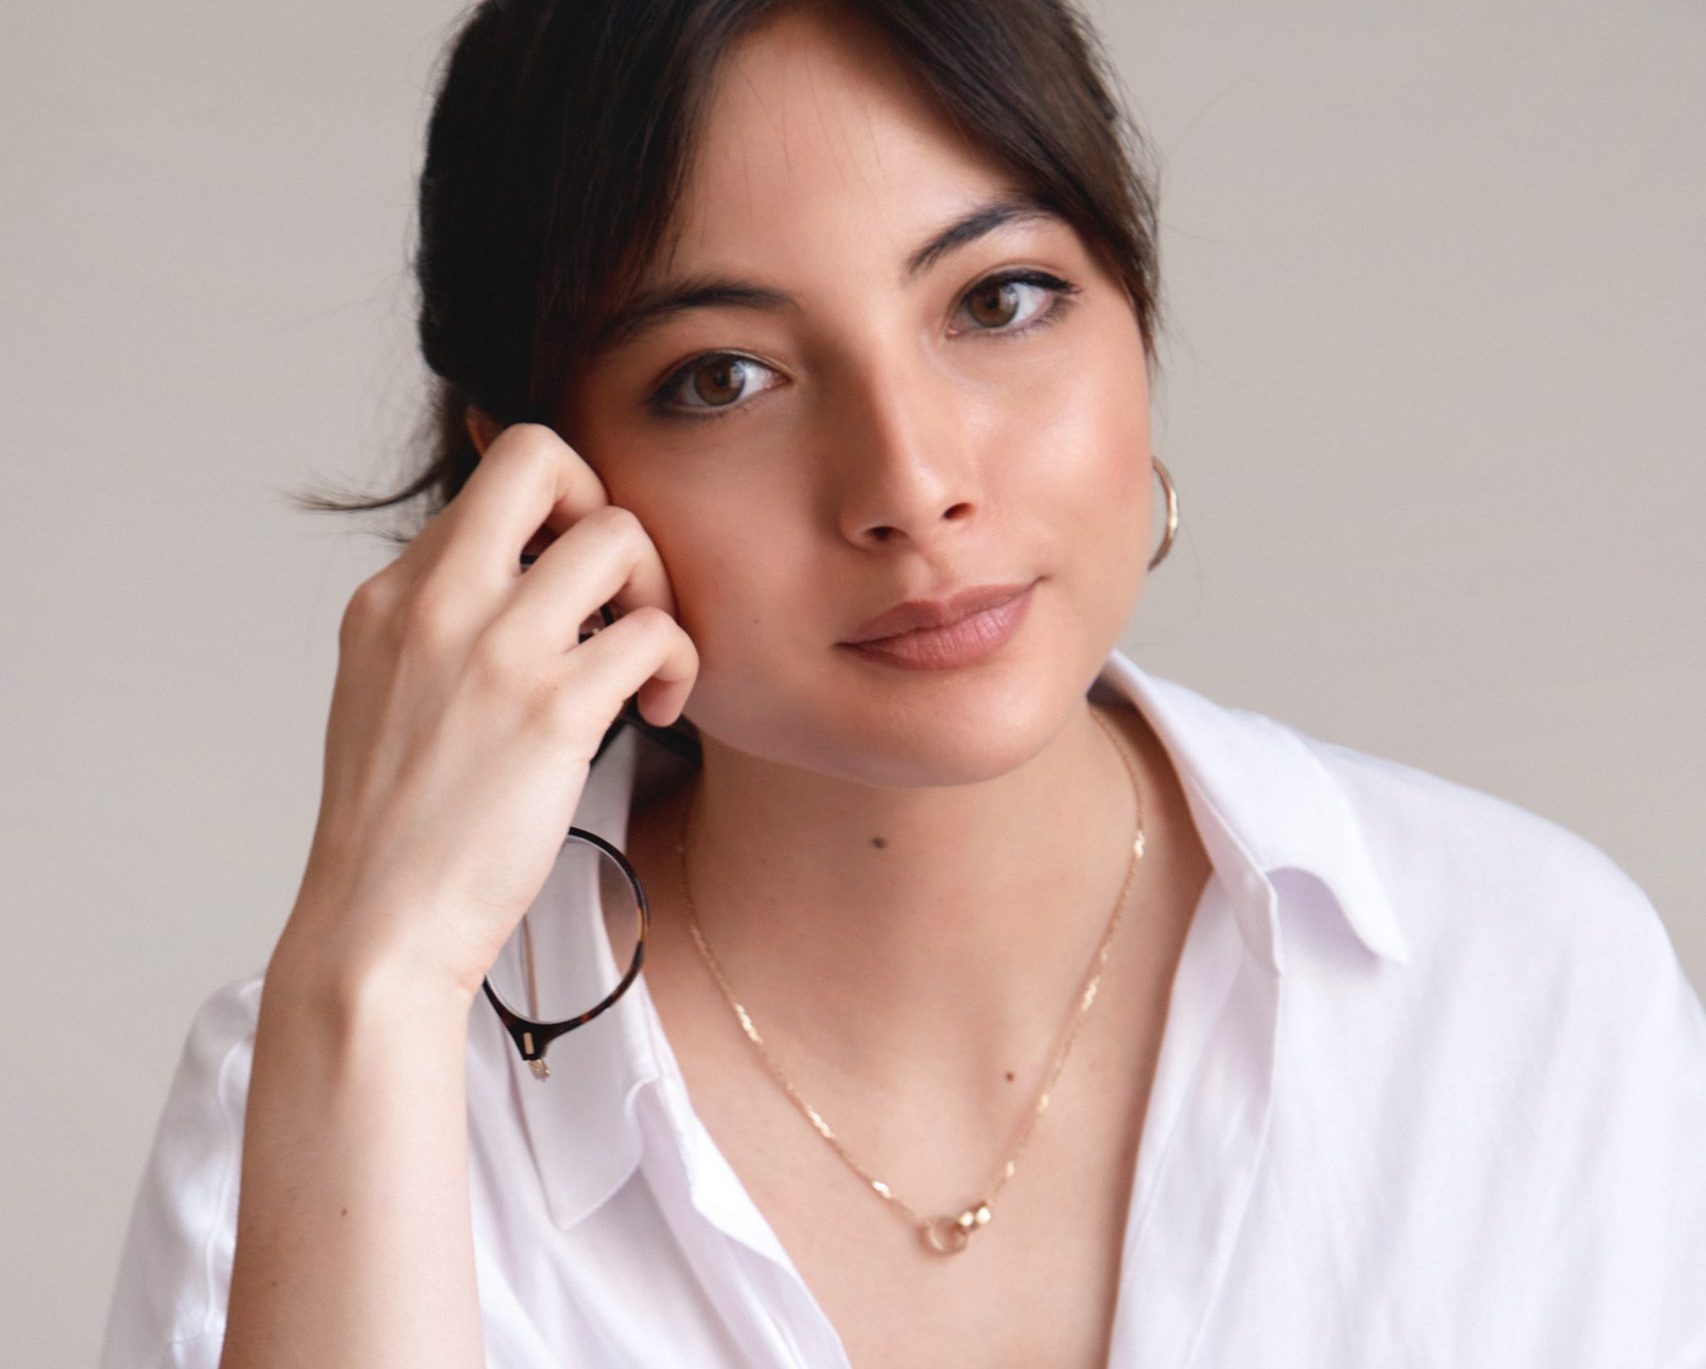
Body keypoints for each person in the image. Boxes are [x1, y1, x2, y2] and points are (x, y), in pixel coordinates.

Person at [98, 2, 1706, 1366]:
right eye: (722, 376)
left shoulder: (1520, 983)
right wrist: (373, 985)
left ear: (1133, 313)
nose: (911, 478)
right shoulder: (327, 1083)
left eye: (996, 299)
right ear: (536, 480)